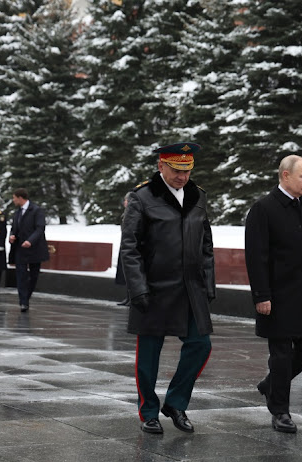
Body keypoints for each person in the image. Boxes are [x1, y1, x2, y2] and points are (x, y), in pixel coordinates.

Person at [120, 142, 215, 435]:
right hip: (154, 288)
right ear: (161, 166)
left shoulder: (198, 197)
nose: (182, 177)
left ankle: (175, 403)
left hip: (190, 289)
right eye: (176, 170)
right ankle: (148, 411)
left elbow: (206, 245)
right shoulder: (143, 197)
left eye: (187, 170)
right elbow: (130, 247)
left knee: (201, 345)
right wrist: (138, 289)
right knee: (149, 355)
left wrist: (208, 284)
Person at [244, 155, 302, 434]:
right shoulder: (264, 209)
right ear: (285, 176)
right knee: (281, 354)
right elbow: (256, 257)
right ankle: (280, 410)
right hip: (278, 296)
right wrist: (261, 295)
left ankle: (271, 385)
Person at [9, 188, 49, 312]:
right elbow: (14, 228)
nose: (13, 200)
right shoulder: (17, 213)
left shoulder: (37, 211)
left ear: (21, 198)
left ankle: (26, 296)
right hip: (20, 248)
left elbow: (40, 229)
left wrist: (30, 241)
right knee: (20, 275)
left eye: (14, 198)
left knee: (33, 276)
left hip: (35, 249)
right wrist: (11, 235)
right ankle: (23, 301)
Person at [114, 192, 135, 306]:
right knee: (126, 273)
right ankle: (128, 297)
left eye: (126, 200)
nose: (124, 202)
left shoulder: (134, 213)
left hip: (131, 247)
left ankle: (132, 297)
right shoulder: (126, 213)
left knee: (131, 274)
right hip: (125, 246)